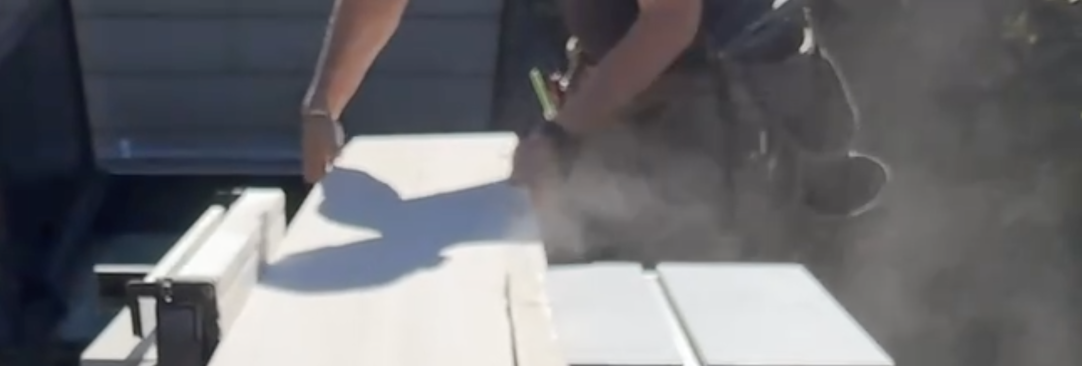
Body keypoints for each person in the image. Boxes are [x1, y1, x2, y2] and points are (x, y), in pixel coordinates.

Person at [300, 0, 864, 263]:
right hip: (655, 88)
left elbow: (670, 21)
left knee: (681, 325)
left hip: (727, 109)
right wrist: (323, 103)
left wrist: (562, 136)